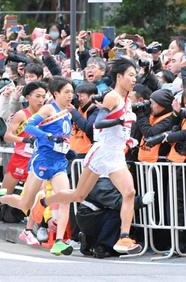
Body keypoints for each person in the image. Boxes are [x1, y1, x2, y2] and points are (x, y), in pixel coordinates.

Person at [37, 57, 141, 254]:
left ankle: (123, 238)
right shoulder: (113, 97)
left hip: (116, 155)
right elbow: (98, 124)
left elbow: (121, 127)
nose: (134, 79)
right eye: (131, 75)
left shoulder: (128, 99)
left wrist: (126, 136)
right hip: (101, 153)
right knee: (79, 195)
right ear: (120, 77)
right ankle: (45, 202)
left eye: (135, 76)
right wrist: (119, 120)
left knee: (129, 193)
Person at [0, 76, 75, 256]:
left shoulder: (68, 113)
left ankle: (59, 241)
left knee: (66, 199)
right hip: (41, 161)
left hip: (58, 163)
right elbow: (29, 126)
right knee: (25, 202)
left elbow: (63, 137)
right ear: (56, 94)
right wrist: (45, 137)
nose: (71, 96)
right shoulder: (49, 109)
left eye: (72, 92)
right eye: (66, 92)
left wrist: (66, 148)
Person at [0, 81, 47, 245]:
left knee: (39, 193)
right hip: (20, 159)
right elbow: (7, 136)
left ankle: (29, 229)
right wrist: (26, 139)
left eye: (43, 96)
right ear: (28, 97)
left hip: (38, 160)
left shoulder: (47, 114)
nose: (41, 100)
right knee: (2, 194)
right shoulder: (22, 114)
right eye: (37, 96)